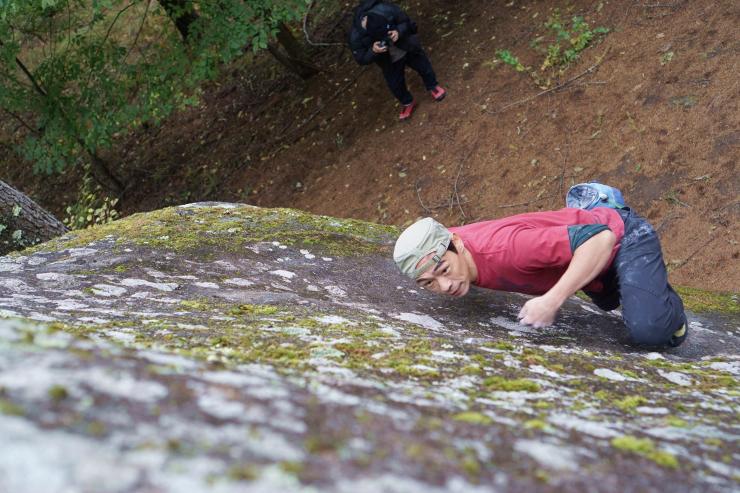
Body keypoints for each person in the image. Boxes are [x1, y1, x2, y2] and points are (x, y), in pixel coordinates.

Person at [393, 192, 688, 348]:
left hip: (621, 235)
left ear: (456, 242)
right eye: (427, 283)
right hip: (586, 254)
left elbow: (602, 239)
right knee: (609, 302)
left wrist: (552, 300)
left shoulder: (508, 249)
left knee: (652, 329)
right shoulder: (446, 245)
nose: (444, 286)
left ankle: (600, 204)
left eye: (443, 270)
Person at [349, 0, 446, 121]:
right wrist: (373, 51)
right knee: (395, 85)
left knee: (423, 66)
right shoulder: (355, 36)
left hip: (406, 46)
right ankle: (407, 102)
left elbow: (409, 23)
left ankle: (432, 86)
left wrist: (399, 31)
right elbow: (361, 59)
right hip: (388, 61)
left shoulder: (386, 9)